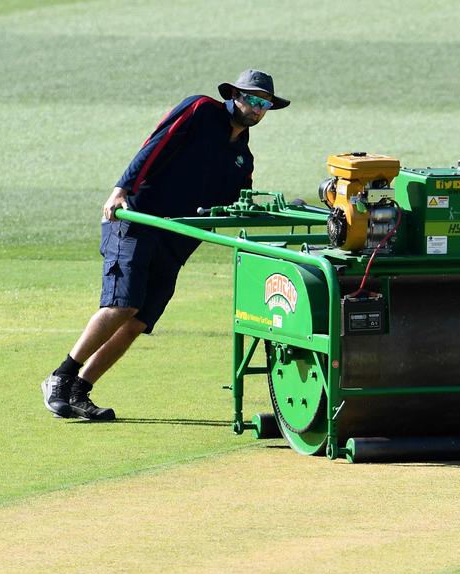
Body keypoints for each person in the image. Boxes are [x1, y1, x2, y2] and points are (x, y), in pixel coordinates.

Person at [42, 69, 289, 421]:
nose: (256, 108)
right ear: (233, 94)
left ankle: (80, 391)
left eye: (263, 103)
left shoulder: (243, 158)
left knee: (138, 321)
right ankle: (61, 376)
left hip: (175, 243)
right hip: (136, 220)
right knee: (122, 304)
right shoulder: (201, 110)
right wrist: (120, 190)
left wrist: (262, 212)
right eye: (250, 99)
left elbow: (233, 203)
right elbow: (156, 144)